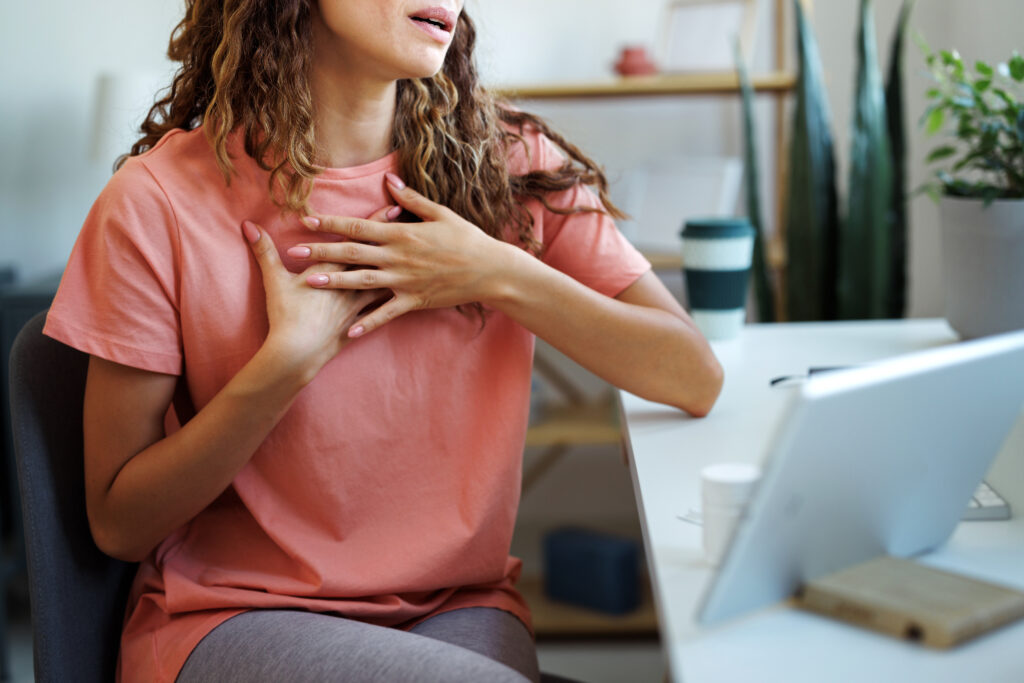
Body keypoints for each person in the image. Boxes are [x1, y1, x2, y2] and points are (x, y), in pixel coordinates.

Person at [44, 1, 724, 681]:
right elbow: (118, 521)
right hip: (235, 615)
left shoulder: (512, 166)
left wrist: (498, 271)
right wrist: (283, 366)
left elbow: (692, 375)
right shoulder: (157, 201)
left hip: (459, 605)